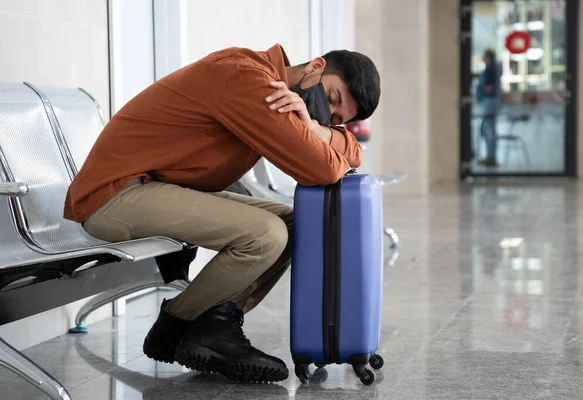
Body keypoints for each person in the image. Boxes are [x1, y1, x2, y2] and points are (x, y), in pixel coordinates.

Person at [63, 43, 381, 383]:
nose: (327, 115)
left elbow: (351, 153)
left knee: (295, 222)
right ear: (316, 67)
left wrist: (317, 130)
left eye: (337, 119)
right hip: (114, 195)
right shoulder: (249, 80)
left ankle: (211, 327)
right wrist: (322, 137)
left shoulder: (275, 90)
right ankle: (178, 328)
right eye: (331, 98)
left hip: (157, 187)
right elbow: (321, 168)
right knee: (265, 235)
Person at [475, 48, 501, 167]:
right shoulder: (493, 68)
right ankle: (490, 156)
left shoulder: (491, 69)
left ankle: (491, 157)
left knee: (489, 130)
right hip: (489, 102)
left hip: (489, 102)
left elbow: (489, 86)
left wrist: (481, 89)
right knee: (488, 129)